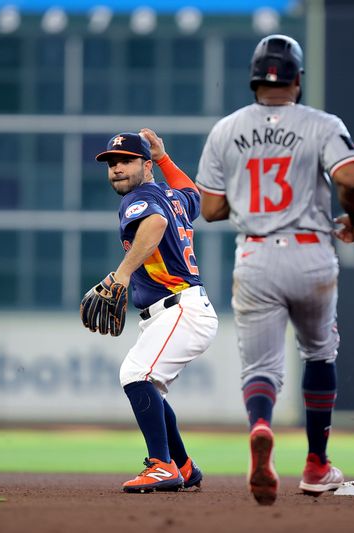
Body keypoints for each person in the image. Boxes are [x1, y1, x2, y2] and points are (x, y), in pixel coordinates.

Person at [195, 34, 354, 505]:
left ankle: (262, 425)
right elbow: (350, 177)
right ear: (298, 78)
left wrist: (247, 198)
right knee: (319, 353)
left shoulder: (226, 129)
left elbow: (209, 209)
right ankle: (316, 465)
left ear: (253, 78)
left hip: (255, 255)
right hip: (310, 250)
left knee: (262, 369)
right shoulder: (321, 123)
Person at [86, 129, 218, 493]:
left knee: (134, 374)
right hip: (182, 309)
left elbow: (156, 224)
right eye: (112, 163)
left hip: (180, 307)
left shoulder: (140, 198)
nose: (117, 169)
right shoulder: (170, 195)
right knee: (149, 387)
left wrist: (122, 274)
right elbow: (195, 196)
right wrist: (164, 157)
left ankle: (161, 466)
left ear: (144, 166)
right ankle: (184, 467)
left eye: (126, 161)